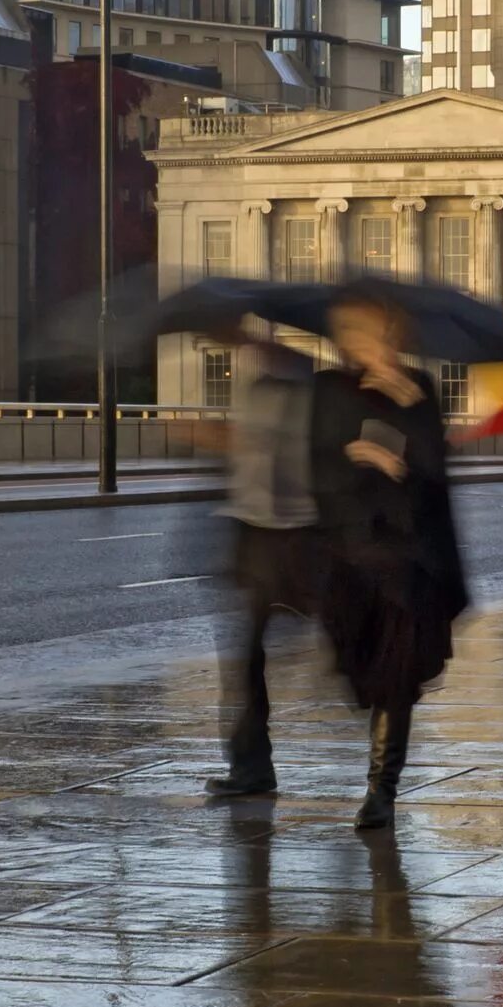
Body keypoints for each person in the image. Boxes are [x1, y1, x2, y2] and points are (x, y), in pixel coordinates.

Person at [308, 288, 468, 829]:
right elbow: (315, 463)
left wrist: (406, 403)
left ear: (392, 336)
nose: (362, 343)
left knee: (396, 680)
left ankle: (381, 790)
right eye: (352, 332)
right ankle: (379, 766)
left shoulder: (419, 388)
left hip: (407, 560)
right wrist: (359, 454)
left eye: (372, 332)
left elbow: (432, 468)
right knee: (362, 671)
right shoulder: (329, 388)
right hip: (351, 557)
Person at [204, 332, 322, 799]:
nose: (257, 351)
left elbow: (296, 465)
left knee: (339, 649)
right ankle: (250, 767)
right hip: (252, 533)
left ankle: (380, 759)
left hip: (301, 534)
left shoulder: (314, 395)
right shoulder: (255, 390)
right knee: (244, 659)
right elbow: (250, 466)